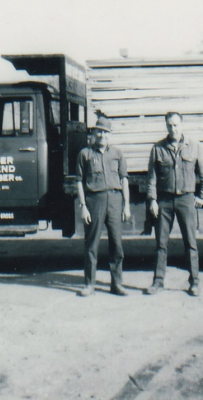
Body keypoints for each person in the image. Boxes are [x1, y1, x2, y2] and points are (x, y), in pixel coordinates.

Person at [145, 112, 203, 297]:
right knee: (161, 243)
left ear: (182, 125)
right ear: (166, 126)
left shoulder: (194, 146)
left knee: (190, 242)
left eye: (176, 125)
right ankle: (158, 282)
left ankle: (195, 282)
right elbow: (151, 178)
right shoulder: (158, 148)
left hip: (186, 200)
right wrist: (152, 200)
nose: (173, 129)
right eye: (169, 125)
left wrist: (202, 197)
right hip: (164, 201)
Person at [76, 116, 131, 297]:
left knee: (116, 244)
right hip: (94, 201)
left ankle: (117, 284)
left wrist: (126, 205)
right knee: (91, 244)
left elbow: (124, 179)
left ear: (110, 135)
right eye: (99, 131)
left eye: (105, 132)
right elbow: (78, 181)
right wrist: (83, 206)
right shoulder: (85, 154)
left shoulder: (117, 153)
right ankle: (89, 284)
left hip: (115, 200)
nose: (102, 135)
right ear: (93, 132)